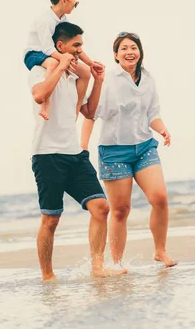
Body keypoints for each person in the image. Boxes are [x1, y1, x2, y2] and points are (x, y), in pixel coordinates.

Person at [29, 22, 127, 280]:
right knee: (51, 220)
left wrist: (99, 80)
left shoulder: (77, 77)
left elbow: (89, 112)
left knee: (101, 207)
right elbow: (39, 95)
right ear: (59, 47)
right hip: (47, 155)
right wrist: (60, 65)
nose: (80, 52)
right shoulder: (41, 70)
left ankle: (97, 267)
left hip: (74, 154)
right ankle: (47, 276)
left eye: (82, 46)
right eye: (76, 46)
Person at [81, 32, 177, 268]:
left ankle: (160, 251)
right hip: (114, 151)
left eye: (133, 47)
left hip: (144, 146)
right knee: (121, 210)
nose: (129, 52)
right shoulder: (108, 80)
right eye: (123, 48)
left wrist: (163, 130)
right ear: (116, 55)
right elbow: (92, 112)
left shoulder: (148, 78)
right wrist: (83, 146)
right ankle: (117, 262)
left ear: (140, 52)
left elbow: (152, 114)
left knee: (160, 198)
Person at [23, 0, 102, 121]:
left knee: (84, 71)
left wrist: (90, 63)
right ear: (64, 0)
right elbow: (47, 48)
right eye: (75, 1)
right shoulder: (45, 20)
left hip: (52, 54)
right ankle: (45, 105)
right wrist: (64, 58)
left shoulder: (63, 19)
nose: (75, 5)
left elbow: (73, 45)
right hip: (35, 54)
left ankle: (76, 108)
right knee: (53, 64)